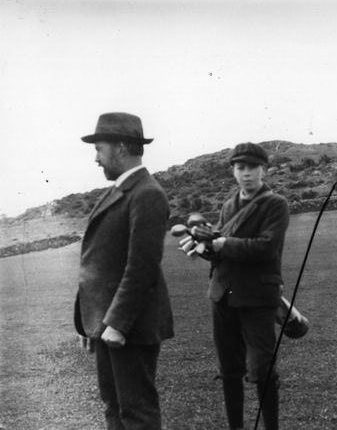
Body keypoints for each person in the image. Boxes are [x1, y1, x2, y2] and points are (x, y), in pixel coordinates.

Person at [75, 112, 174, 429]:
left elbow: (141, 268)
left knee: (137, 412)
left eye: (99, 149)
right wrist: (88, 323)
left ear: (120, 147)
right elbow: (99, 262)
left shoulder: (147, 194)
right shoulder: (117, 190)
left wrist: (117, 323)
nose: (96, 159)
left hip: (128, 326)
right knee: (114, 408)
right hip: (105, 325)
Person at [189, 142, 289, 430]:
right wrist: (206, 247)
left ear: (264, 170)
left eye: (252, 168)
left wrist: (224, 244)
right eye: (240, 168)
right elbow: (219, 247)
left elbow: (266, 248)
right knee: (229, 370)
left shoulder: (276, 204)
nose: (246, 174)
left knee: (263, 369)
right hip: (223, 295)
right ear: (233, 171)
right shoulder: (229, 204)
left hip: (257, 297)